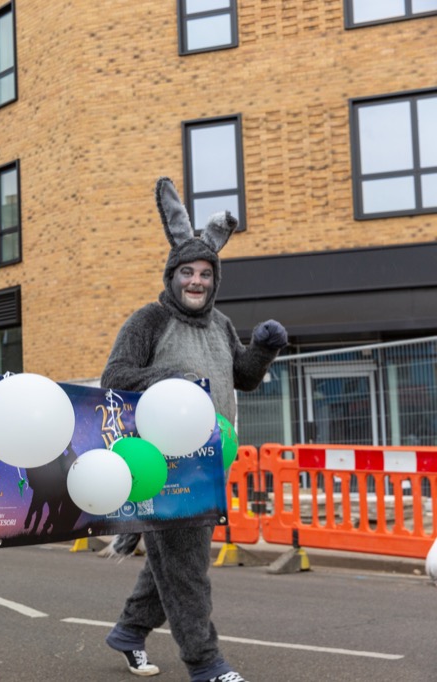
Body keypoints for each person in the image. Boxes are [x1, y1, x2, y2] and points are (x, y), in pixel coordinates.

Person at [100, 178, 287, 682]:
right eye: (187, 272)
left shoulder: (221, 325)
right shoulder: (149, 320)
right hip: (161, 467)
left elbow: (242, 377)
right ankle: (206, 663)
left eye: (205, 273)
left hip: (208, 463)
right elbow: (115, 378)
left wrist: (263, 350)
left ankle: (129, 631)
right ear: (172, 275)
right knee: (186, 569)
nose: (196, 281)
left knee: (176, 560)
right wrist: (172, 380)